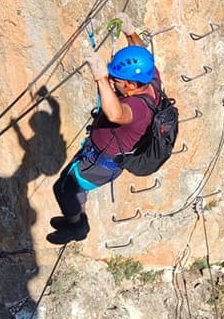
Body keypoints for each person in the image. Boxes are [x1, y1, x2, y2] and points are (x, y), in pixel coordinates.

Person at [46, 12, 163, 245]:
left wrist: (100, 78)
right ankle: (74, 214)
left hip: (102, 163)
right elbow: (144, 56)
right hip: (98, 156)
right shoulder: (150, 81)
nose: (113, 80)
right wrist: (131, 33)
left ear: (130, 84)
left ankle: (77, 227)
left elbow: (115, 114)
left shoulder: (137, 108)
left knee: (63, 189)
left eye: (117, 79)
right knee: (67, 182)